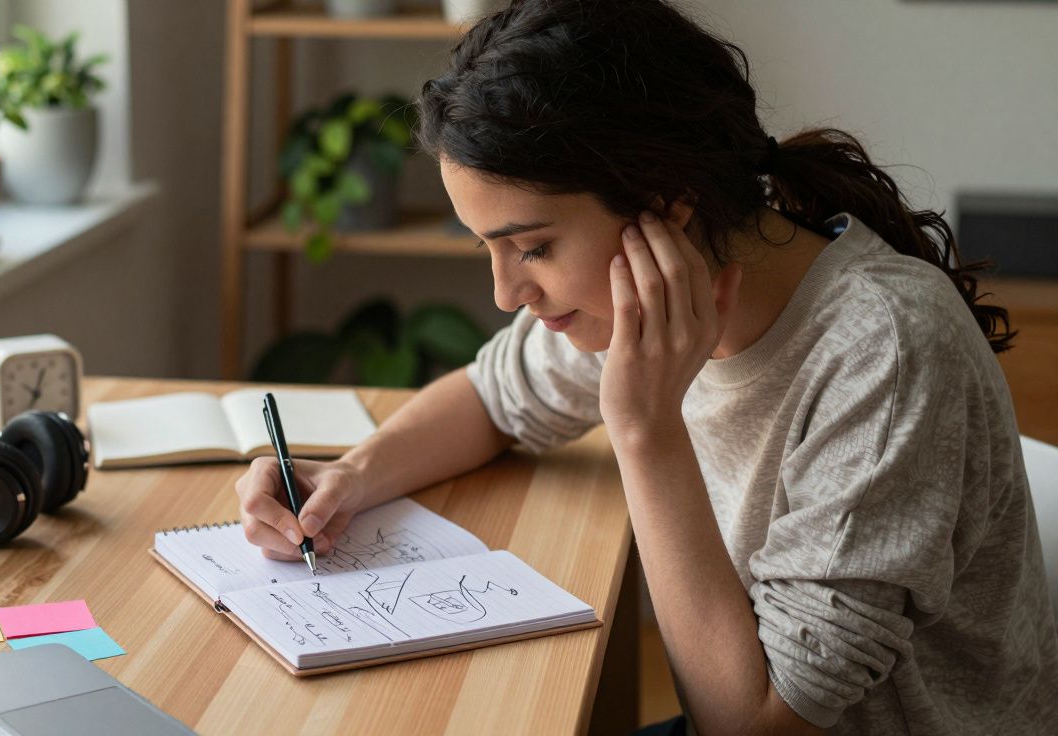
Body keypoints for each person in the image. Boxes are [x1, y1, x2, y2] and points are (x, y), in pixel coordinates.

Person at [233, 0, 1058, 733]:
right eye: (488, 248)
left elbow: (752, 723)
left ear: (665, 207)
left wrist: (643, 426)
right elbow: (492, 398)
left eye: (532, 247)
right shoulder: (644, 294)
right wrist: (344, 479)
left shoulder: (883, 351)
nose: (504, 293)